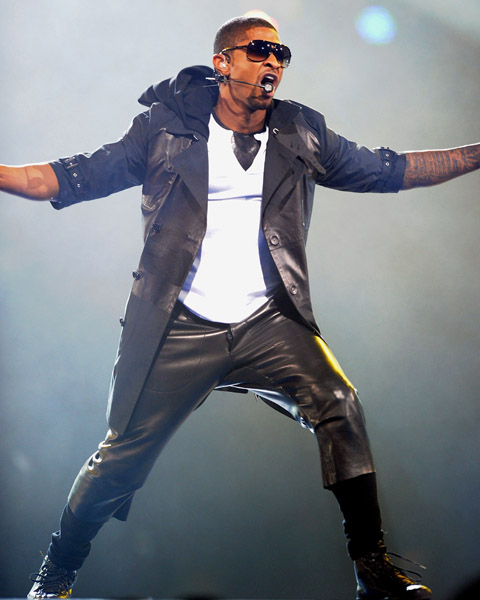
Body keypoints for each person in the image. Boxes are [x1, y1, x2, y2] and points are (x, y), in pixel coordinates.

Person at [1, 15, 479, 600]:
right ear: (223, 62)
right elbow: (66, 177)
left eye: (281, 53)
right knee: (119, 459)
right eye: (258, 50)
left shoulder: (301, 130)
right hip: (181, 326)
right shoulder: (165, 128)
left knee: (339, 403)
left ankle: (372, 568)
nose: (272, 61)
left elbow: (390, 169)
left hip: (268, 322)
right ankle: (55, 576)